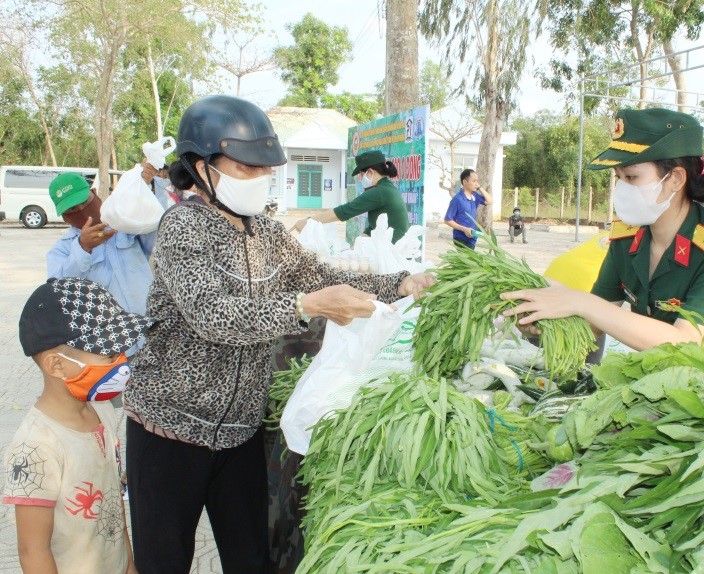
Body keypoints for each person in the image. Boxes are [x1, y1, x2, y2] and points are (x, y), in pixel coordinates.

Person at [123, 94, 434, 574]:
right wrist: (302, 308)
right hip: (170, 433)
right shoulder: (183, 226)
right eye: (246, 168)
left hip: (240, 434)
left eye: (265, 169)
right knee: (163, 563)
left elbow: (320, 276)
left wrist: (401, 283)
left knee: (251, 560)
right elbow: (213, 314)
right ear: (201, 165)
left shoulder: (267, 234)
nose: (258, 178)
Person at [501, 108, 704, 364]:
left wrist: (580, 301)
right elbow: (591, 329)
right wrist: (536, 328)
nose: (621, 188)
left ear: (675, 180)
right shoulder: (626, 241)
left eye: (631, 177)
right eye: (618, 177)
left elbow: (685, 343)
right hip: (677, 390)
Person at [3, 277, 155, 574]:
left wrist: (129, 565)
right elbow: (33, 550)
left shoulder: (102, 411)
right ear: (56, 365)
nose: (122, 362)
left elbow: (112, 504)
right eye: (109, 354)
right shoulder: (36, 445)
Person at [46, 172, 155, 318]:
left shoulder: (124, 224)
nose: (81, 211)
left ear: (94, 194)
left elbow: (156, 232)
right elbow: (59, 292)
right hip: (109, 333)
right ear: (64, 216)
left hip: (150, 321)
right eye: (72, 209)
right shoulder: (62, 249)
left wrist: (142, 187)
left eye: (85, 202)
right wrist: (83, 248)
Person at [291, 150, 410, 243]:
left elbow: (344, 211)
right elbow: (375, 226)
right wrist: (356, 245)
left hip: (394, 254)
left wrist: (309, 222)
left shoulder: (379, 192)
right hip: (392, 250)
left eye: (361, 174)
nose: (359, 179)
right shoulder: (386, 188)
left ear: (370, 172)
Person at [444, 168, 494, 249]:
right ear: (464, 182)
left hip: (472, 237)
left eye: (477, 181)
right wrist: (464, 229)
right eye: (474, 181)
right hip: (461, 238)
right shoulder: (457, 199)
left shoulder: (475, 196)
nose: (476, 184)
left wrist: (480, 188)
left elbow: (490, 201)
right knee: (468, 260)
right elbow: (447, 220)